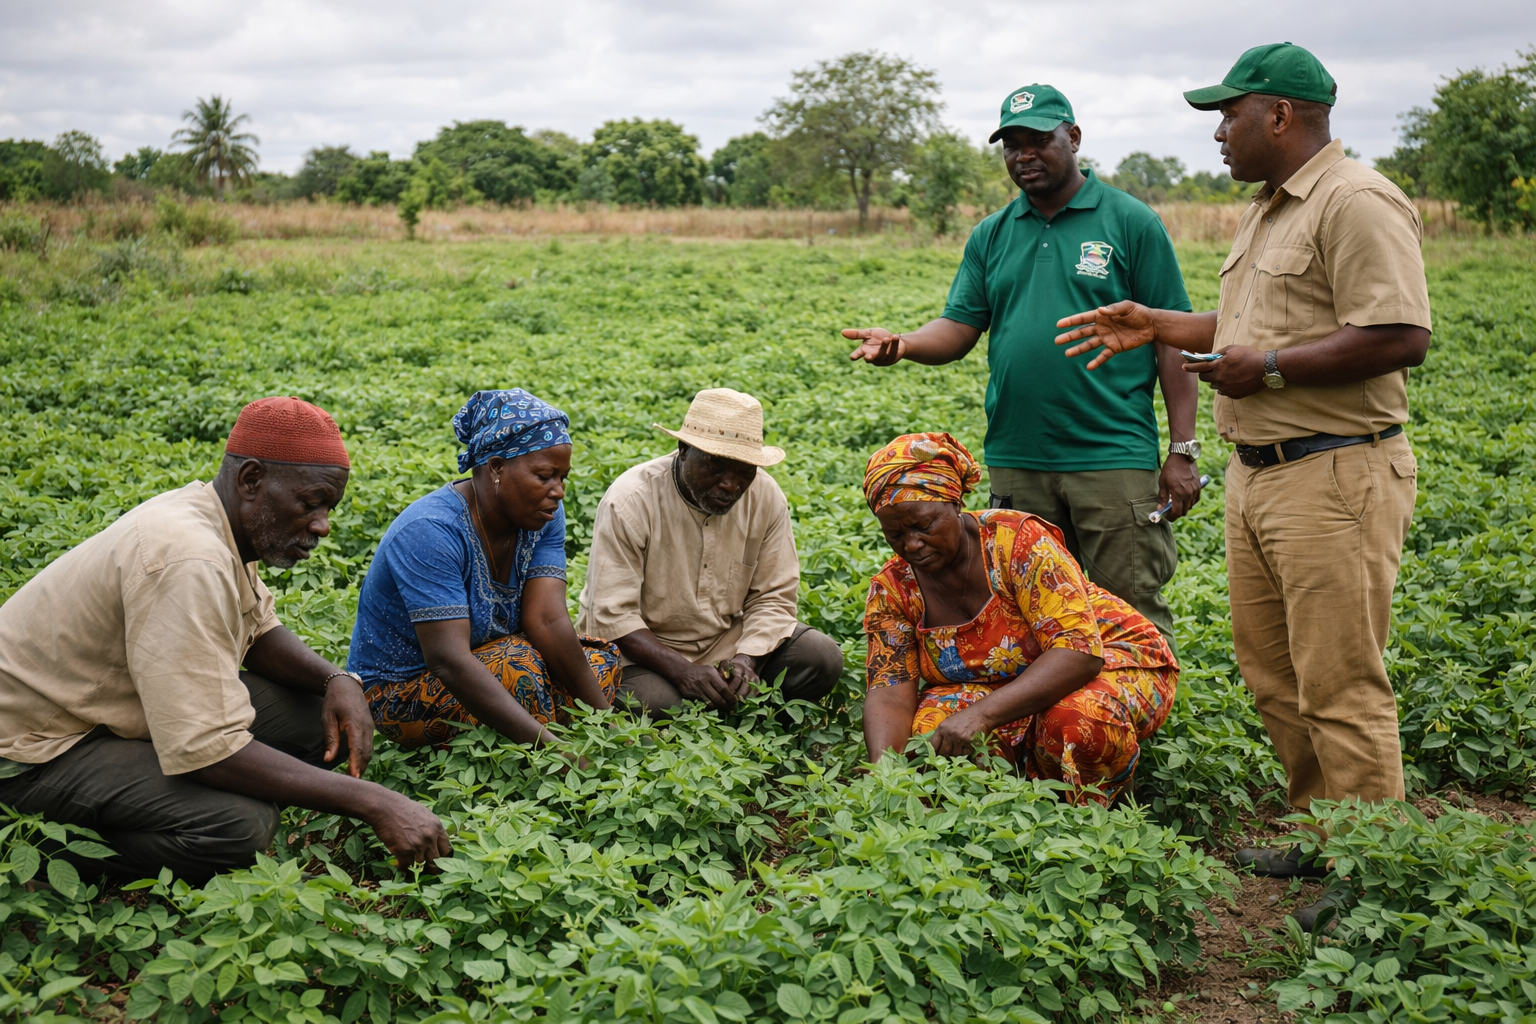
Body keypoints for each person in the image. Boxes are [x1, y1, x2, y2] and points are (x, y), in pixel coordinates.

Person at [1055, 43, 1432, 928]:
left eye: (1228, 115)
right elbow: (1246, 323)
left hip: (1334, 470)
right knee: (1275, 673)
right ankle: (1320, 830)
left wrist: (1267, 369)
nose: (1218, 133)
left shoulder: (1357, 201)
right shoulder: (1269, 212)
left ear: (1280, 116)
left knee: (1340, 678)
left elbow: (1400, 333)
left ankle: (1371, 869)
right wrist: (1157, 322)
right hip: (1261, 476)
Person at [0, 397, 450, 884]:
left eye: (328, 508)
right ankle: (45, 857)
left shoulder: (223, 520)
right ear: (252, 480)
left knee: (317, 720)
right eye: (310, 503)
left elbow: (257, 630)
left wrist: (338, 680)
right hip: (32, 749)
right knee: (239, 826)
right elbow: (207, 746)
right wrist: (376, 802)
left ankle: (168, 797)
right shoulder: (188, 557)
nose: (321, 525)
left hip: (103, 708)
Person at [845, 83, 1201, 651]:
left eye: (1038, 140)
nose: (1023, 155)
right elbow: (959, 328)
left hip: (1110, 456)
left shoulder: (1131, 222)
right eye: (1011, 144)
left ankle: (1134, 734)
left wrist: (1182, 451)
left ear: (1074, 137)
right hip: (1018, 462)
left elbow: (1173, 342)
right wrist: (905, 344)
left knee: (1128, 618)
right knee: (1030, 615)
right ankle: (1053, 736)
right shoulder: (992, 233)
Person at [861, 432, 1178, 805]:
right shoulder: (894, 587)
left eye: (924, 526)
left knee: (1076, 722)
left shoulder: (1018, 542)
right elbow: (890, 694)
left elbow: (1079, 655)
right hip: (999, 682)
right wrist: (887, 775)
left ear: (955, 503)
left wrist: (980, 716)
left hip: (1109, 658)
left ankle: (1096, 815)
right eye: (894, 534)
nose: (911, 544)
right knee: (929, 741)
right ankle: (1004, 811)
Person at [349, 390, 619, 748]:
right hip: (401, 691)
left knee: (599, 661)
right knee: (519, 668)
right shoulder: (430, 530)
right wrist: (557, 753)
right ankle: (537, 740)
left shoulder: (543, 515)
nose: (559, 492)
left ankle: (531, 724)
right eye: (545, 476)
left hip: (493, 658)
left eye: (563, 478)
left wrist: (609, 726)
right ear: (495, 467)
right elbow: (449, 660)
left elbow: (548, 621)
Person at [577, 388, 842, 714]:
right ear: (684, 450)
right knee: (657, 703)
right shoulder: (632, 499)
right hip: (640, 652)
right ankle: (718, 713)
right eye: (716, 468)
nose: (730, 485)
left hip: (724, 641)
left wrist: (746, 659)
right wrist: (682, 671)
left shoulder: (766, 496)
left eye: (744, 471)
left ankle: (751, 727)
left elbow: (773, 598)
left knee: (819, 657)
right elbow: (612, 615)